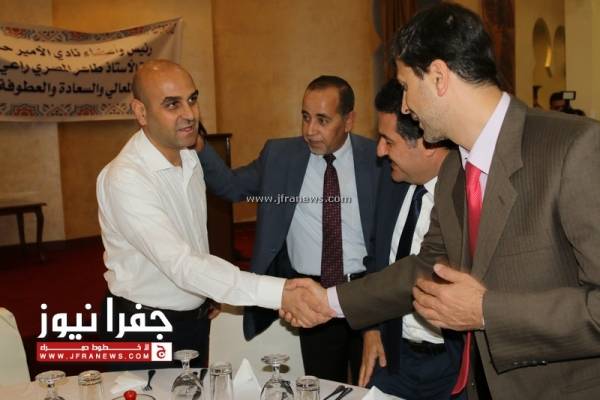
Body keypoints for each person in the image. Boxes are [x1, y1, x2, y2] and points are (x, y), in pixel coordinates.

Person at [283, 4, 600, 399]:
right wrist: (329, 301)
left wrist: (486, 311)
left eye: (405, 86)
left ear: (438, 77)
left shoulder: (574, 147)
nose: (404, 106)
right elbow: (426, 267)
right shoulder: (454, 170)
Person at [96, 60, 329, 369]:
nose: (190, 114)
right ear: (140, 112)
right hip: (140, 328)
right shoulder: (126, 178)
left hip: (192, 323)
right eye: (172, 104)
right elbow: (181, 264)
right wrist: (280, 293)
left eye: (192, 99)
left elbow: (193, 242)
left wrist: (206, 294)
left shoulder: (189, 158)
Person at [198, 75, 380, 383]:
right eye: (306, 117)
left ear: (349, 120)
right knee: (322, 386)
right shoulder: (280, 156)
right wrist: (200, 146)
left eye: (323, 120)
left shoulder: (377, 157)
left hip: (366, 291)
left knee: (373, 387)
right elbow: (230, 186)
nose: (310, 130)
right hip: (312, 296)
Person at [358, 79, 459, 399]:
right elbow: (375, 260)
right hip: (392, 357)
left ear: (428, 143)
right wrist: (371, 327)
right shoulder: (391, 180)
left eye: (389, 141)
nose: (379, 151)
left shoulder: (470, 197)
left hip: (453, 366)